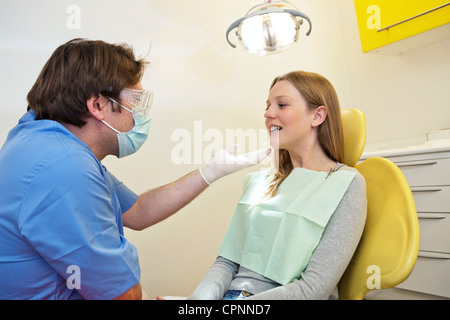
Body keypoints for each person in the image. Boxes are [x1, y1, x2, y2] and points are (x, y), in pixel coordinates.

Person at [0, 38, 270, 300]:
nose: (140, 114)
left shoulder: (44, 142)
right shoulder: (66, 168)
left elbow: (138, 211)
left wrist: (210, 172)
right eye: (136, 101)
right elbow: (123, 295)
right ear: (97, 105)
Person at [188, 71, 367, 300]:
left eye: (281, 105)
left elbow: (313, 289)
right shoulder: (261, 181)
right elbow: (227, 261)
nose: (268, 114)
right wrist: (198, 302)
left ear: (317, 116)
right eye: (268, 106)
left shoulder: (346, 184)